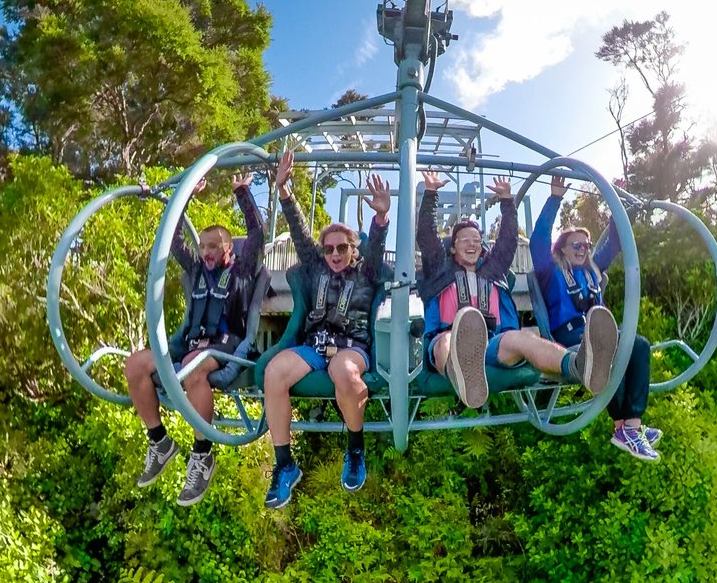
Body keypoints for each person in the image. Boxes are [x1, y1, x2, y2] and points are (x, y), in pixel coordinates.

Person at [418, 171, 618, 408]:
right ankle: (462, 377)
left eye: (476, 240)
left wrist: (506, 200)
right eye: (464, 240)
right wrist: (430, 194)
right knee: (446, 342)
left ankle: (578, 366)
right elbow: (427, 236)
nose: (472, 244)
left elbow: (508, 240)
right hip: (448, 337)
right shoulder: (439, 270)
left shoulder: (493, 270)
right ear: (452, 249)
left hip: (492, 342)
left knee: (523, 338)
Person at [125, 174, 265, 505]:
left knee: (193, 365)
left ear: (229, 249)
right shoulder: (198, 269)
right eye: (202, 246)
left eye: (213, 246)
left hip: (228, 346)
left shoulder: (242, 270)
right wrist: (186, 195)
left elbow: (257, 233)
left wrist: (242, 193)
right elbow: (173, 240)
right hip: (192, 345)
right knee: (136, 364)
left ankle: (202, 454)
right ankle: (159, 441)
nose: (206, 252)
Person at [262, 151, 390, 508]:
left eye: (342, 247)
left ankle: (355, 449)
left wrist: (380, 217)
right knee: (274, 372)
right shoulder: (316, 267)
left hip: (351, 347)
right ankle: (285, 465)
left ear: (353, 249)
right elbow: (300, 234)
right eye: (329, 248)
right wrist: (284, 192)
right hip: (313, 346)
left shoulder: (367, 271)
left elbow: (376, 249)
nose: (334, 253)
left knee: (345, 373)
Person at [532, 175, 662, 461]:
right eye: (576, 245)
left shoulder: (592, 270)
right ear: (562, 249)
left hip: (598, 332)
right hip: (570, 336)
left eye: (586, 245)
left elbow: (615, 242)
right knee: (603, 352)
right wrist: (555, 199)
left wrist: (621, 209)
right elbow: (538, 240)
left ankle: (632, 425)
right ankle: (622, 427)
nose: (583, 249)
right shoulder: (550, 271)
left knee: (638, 345)